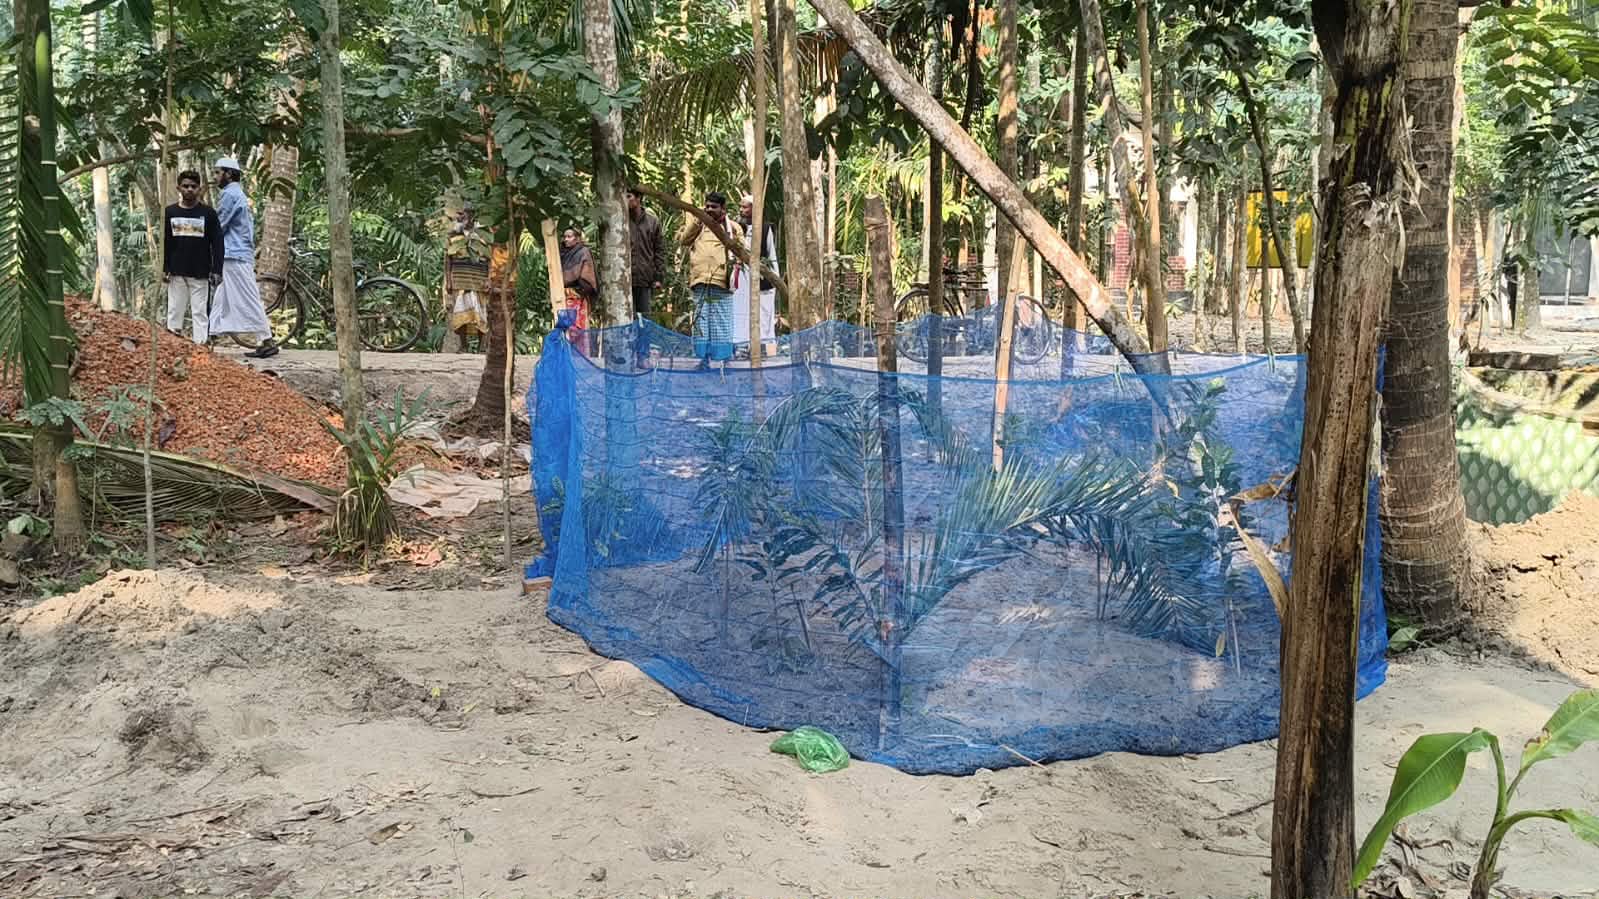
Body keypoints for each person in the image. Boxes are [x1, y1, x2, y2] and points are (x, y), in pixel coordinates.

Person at [207, 156, 278, 358]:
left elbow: (219, 225)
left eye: (218, 172)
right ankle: (207, 336)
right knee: (220, 297)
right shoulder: (238, 193)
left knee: (248, 297)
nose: (215, 177)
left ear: (229, 174)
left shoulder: (229, 195)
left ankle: (267, 339)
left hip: (234, 255)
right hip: (234, 254)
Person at [678, 192, 744, 369]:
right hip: (699, 280)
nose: (709, 209)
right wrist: (698, 220)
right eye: (707, 206)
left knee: (722, 320)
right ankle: (704, 359)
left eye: (714, 207)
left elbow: (742, 251)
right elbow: (684, 241)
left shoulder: (733, 228)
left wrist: (736, 266)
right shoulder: (699, 225)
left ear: (723, 208)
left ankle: (725, 359)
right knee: (701, 321)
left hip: (722, 281)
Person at [162, 170, 223, 345]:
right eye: (186, 186)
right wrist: (164, 268)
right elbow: (166, 242)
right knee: (175, 310)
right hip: (176, 271)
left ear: (199, 188)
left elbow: (218, 243)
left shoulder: (208, 213)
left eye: (193, 186)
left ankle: (201, 348)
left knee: (200, 312)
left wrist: (217, 269)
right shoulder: (170, 212)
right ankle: (173, 345)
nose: (189, 189)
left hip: (200, 272)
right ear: (178, 188)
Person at [733, 194, 778, 353]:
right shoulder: (736, 227)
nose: (741, 210)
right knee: (740, 311)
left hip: (760, 278)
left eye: (745, 207)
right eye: (741, 207)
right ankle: (741, 346)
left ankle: (762, 348)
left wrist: (773, 279)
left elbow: (771, 255)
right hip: (741, 278)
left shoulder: (765, 229)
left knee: (762, 313)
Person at [445, 204, 490, 342]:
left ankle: (481, 346)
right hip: (460, 279)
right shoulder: (453, 235)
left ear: (472, 216)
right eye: (459, 214)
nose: (460, 217)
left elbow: (490, 258)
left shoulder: (483, 235)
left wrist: (489, 279)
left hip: (479, 279)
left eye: (464, 214)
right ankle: (463, 345)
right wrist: (448, 280)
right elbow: (447, 259)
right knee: (460, 314)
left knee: (480, 314)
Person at [626, 188, 664, 317]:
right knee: (626, 319)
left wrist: (658, 277)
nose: (625, 200)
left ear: (638, 198)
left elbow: (659, 250)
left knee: (643, 318)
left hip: (644, 278)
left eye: (628, 196)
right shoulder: (620, 221)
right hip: (625, 279)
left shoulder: (652, 221)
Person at [560, 228, 598, 354]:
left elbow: (587, 275)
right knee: (565, 329)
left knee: (578, 329)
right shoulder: (562, 253)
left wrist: (580, 288)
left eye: (569, 236)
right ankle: (567, 357)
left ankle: (580, 357)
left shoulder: (583, 252)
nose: (566, 239)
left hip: (578, 297)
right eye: (565, 236)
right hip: (563, 297)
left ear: (577, 238)